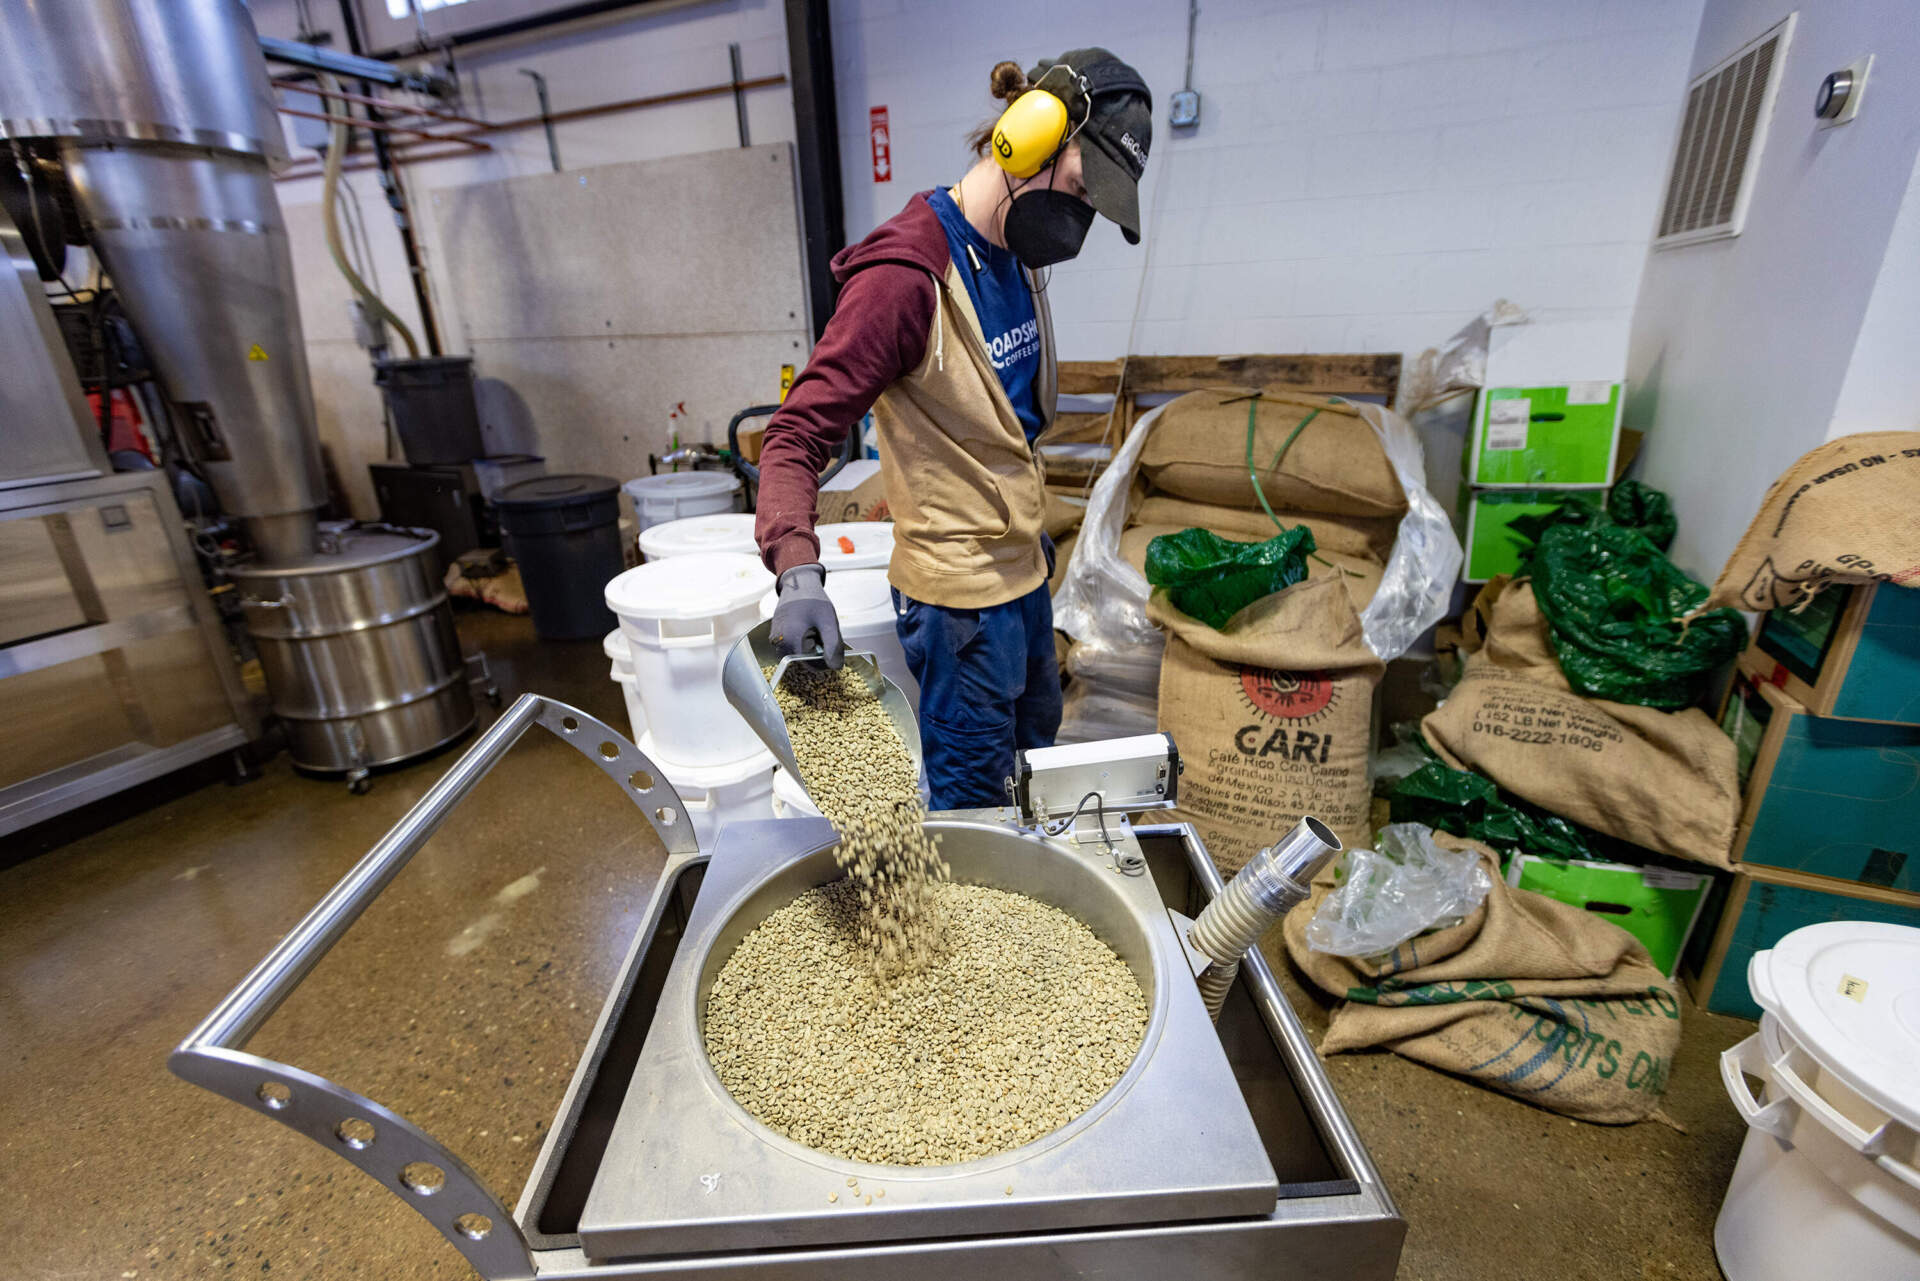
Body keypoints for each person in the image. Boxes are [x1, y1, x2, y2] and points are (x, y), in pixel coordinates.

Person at [754, 48, 1152, 810]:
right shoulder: (904, 281)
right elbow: (795, 435)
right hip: (959, 608)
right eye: (1076, 190)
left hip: (1024, 578)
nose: (1077, 223)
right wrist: (797, 569)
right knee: (977, 806)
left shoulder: (1015, 257)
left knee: (1033, 771)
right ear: (1027, 138)